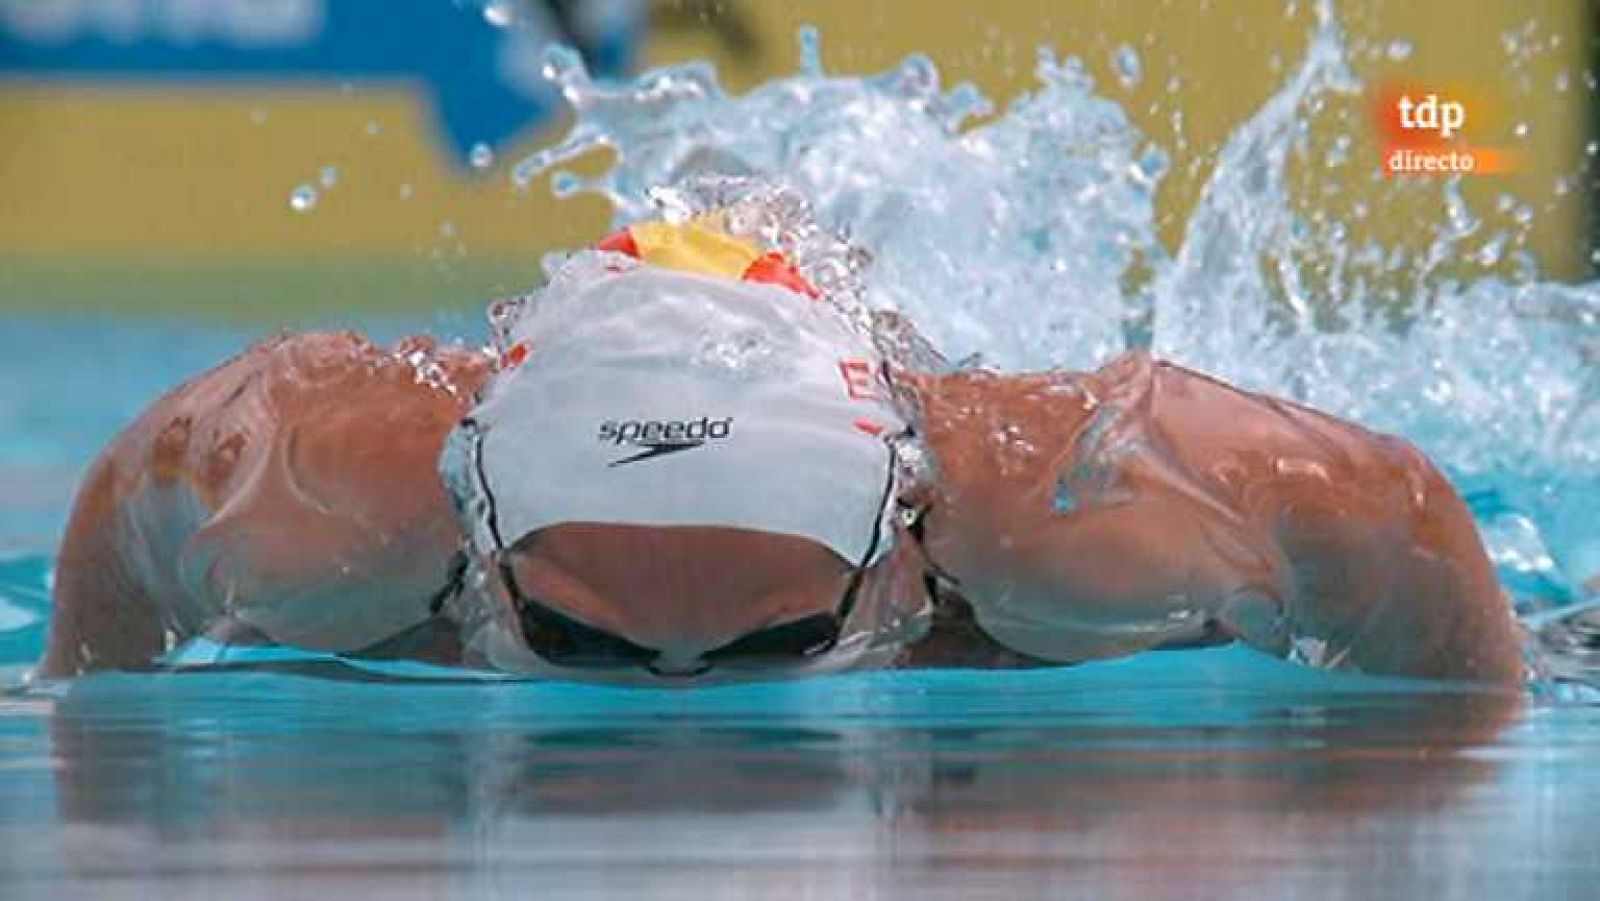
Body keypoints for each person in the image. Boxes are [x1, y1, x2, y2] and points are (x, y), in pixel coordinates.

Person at [35, 204, 1525, 686]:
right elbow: (121, 510)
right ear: (479, 544)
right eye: (585, 638)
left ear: (897, 552)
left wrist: (1451, 752)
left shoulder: (1073, 513)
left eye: (770, 643)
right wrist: (80, 697)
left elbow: (1396, 509)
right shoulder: (318, 508)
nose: (678, 699)